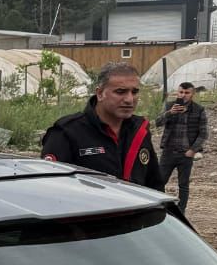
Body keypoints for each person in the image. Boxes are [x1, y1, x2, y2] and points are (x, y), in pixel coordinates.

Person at [41, 62, 165, 190]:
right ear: (100, 93)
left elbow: (154, 183)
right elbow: (49, 187)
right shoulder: (67, 132)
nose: (129, 99)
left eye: (134, 92)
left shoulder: (139, 130)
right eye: (120, 92)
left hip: (136, 209)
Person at [155, 81, 208, 213]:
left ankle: (181, 210)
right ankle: (159, 207)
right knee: (159, 182)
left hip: (186, 154)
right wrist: (169, 113)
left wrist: (192, 150)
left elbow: (203, 133)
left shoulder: (198, 110)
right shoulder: (169, 106)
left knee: (183, 185)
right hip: (169, 152)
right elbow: (157, 123)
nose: (183, 95)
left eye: (187, 93)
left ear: (192, 94)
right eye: (181, 92)